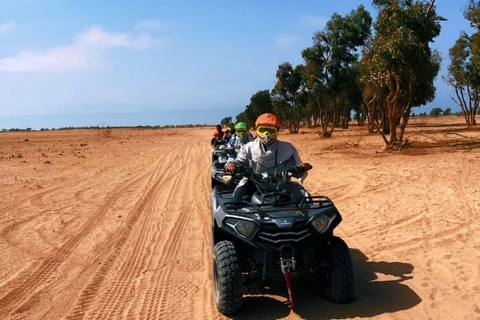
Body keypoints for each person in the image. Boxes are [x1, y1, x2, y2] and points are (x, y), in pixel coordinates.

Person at [225, 113, 312, 201]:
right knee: (235, 202)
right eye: (263, 130)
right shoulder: (248, 147)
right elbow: (239, 161)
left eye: (271, 131)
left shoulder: (287, 148)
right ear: (257, 130)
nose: (266, 134)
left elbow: (292, 168)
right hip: (254, 184)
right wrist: (231, 163)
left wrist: (301, 168)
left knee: (305, 201)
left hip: (281, 185)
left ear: (277, 131)